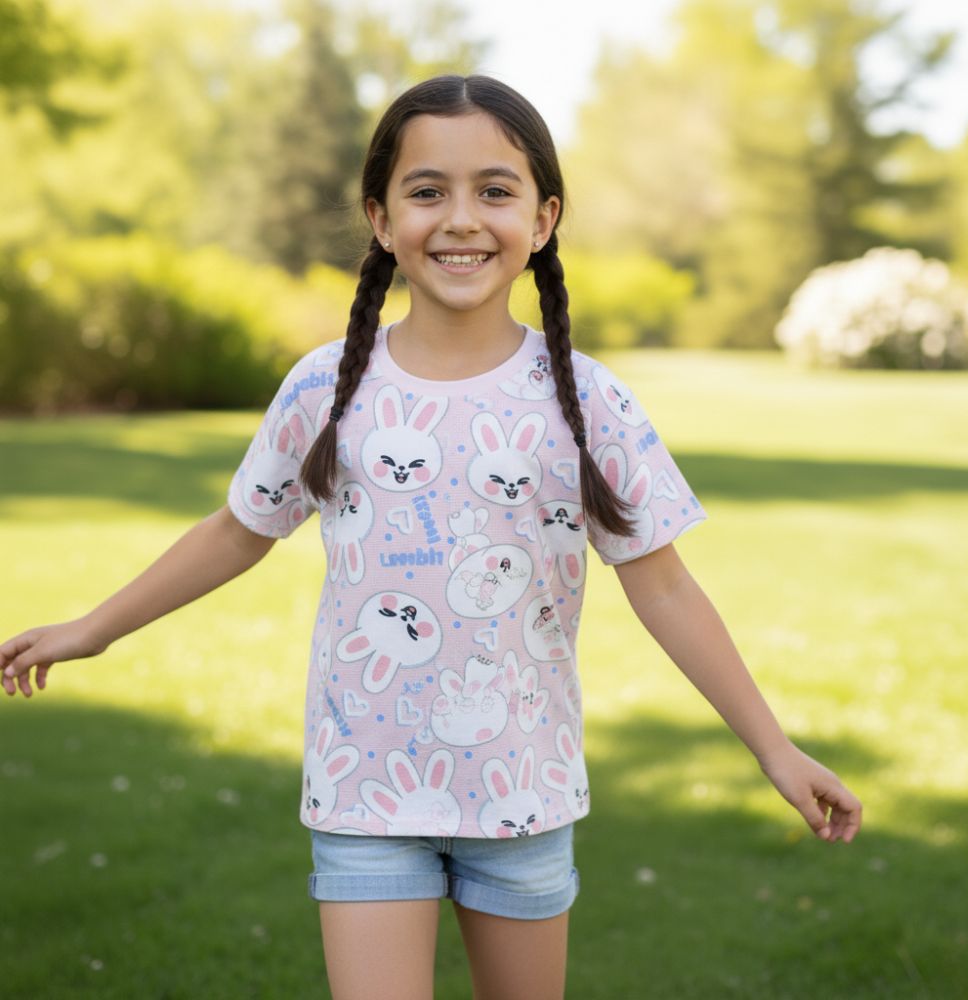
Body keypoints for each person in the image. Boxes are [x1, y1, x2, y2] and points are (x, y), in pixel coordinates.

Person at [1, 75, 861, 1000]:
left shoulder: (590, 401)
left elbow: (665, 587)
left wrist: (775, 749)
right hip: (366, 796)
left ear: (543, 219)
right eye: (426, 191)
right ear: (381, 218)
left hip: (522, 795)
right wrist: (92, 629)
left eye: (495, 190)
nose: (460, 219)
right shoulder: (324, 389)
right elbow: (237, 532)